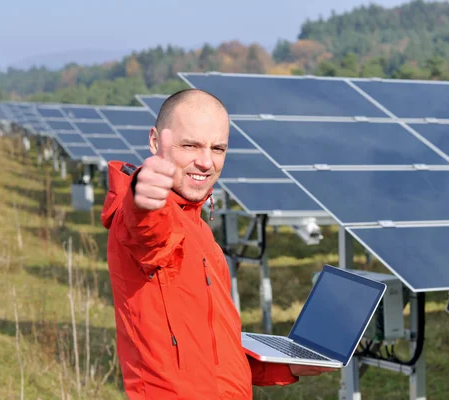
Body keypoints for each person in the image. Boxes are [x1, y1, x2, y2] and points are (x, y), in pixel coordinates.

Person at [101, 89, 335, 399]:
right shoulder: (147, 218)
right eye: (190, 145)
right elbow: (147, 231)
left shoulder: (200, 231)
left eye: (218, 148)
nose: (206, 162)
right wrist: (142, 198)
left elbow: (215, 356)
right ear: (156, 142)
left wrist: (286, 368)